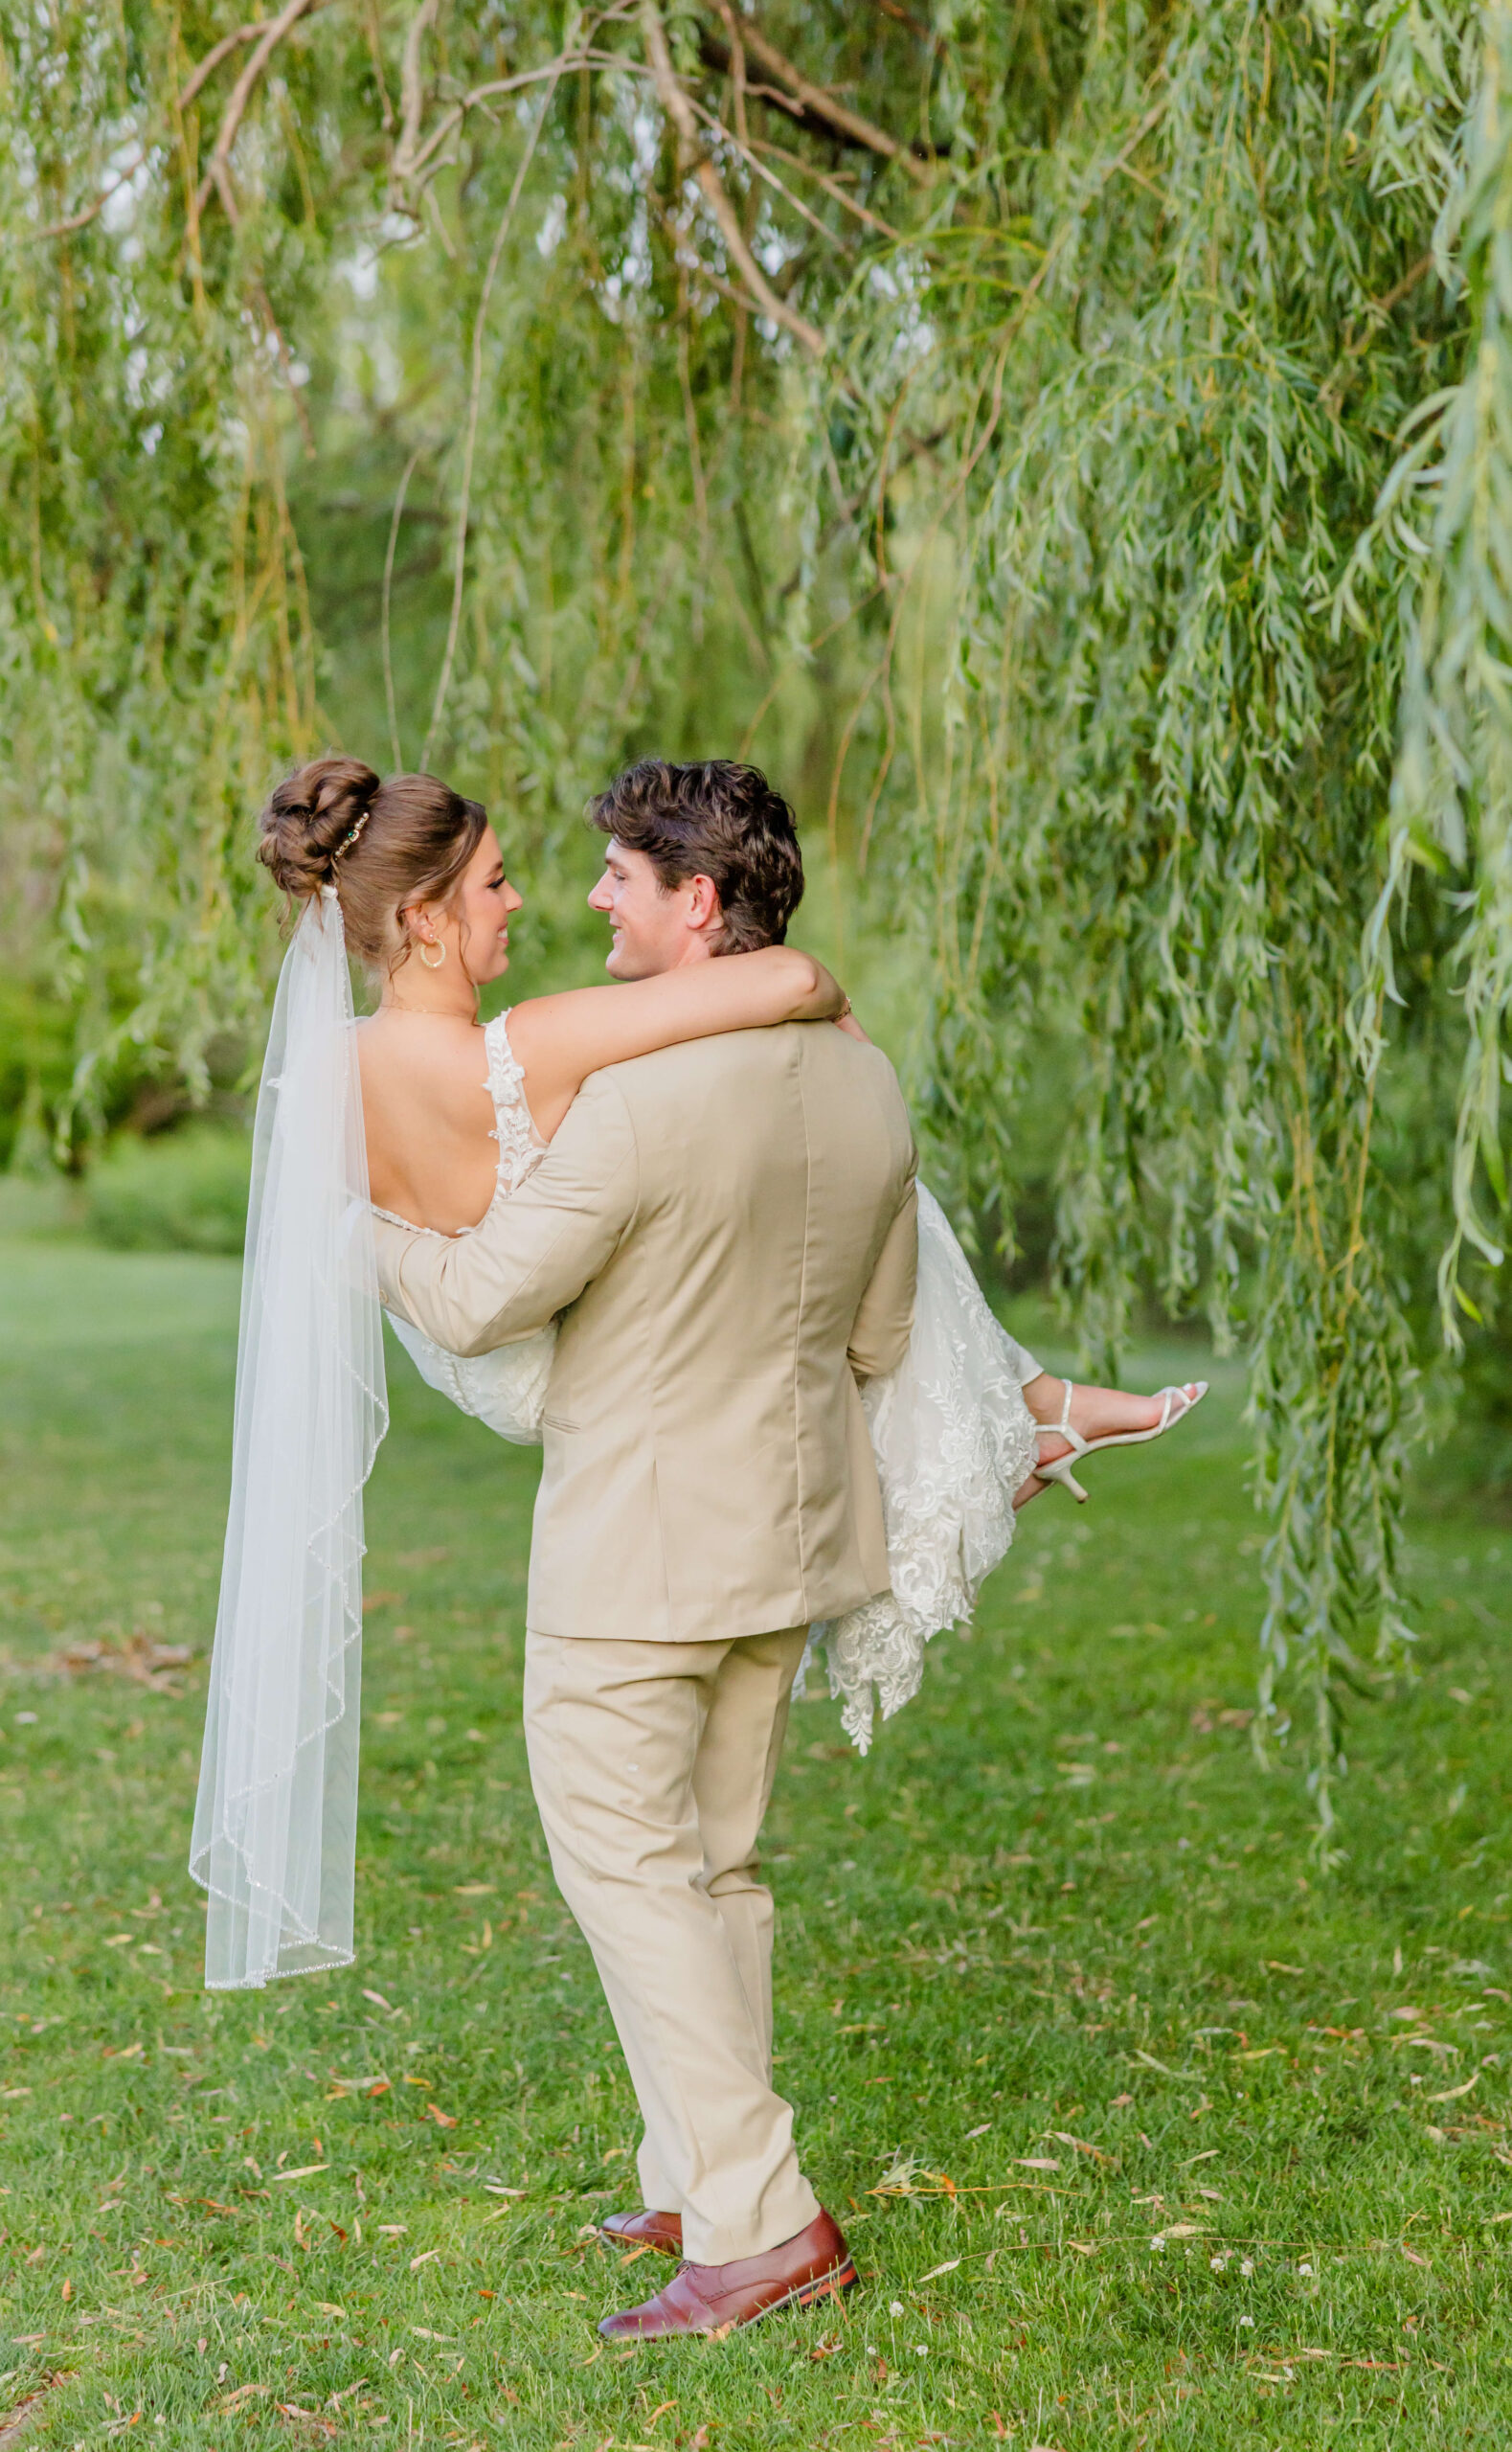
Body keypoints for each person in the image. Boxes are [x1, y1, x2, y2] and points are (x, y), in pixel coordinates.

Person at [361, 758, 1203, 2339]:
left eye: (622, 876)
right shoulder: (859, 1079)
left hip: (638, 1553)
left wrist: (369, 1227)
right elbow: (884, 1331)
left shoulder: (633, 1102)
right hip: (794, 1534)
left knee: (627, 1869)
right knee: (718, 1865)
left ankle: (758, 2221)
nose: (592, 898)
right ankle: (688, 2172)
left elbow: (481, 1302)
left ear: (697, 903)